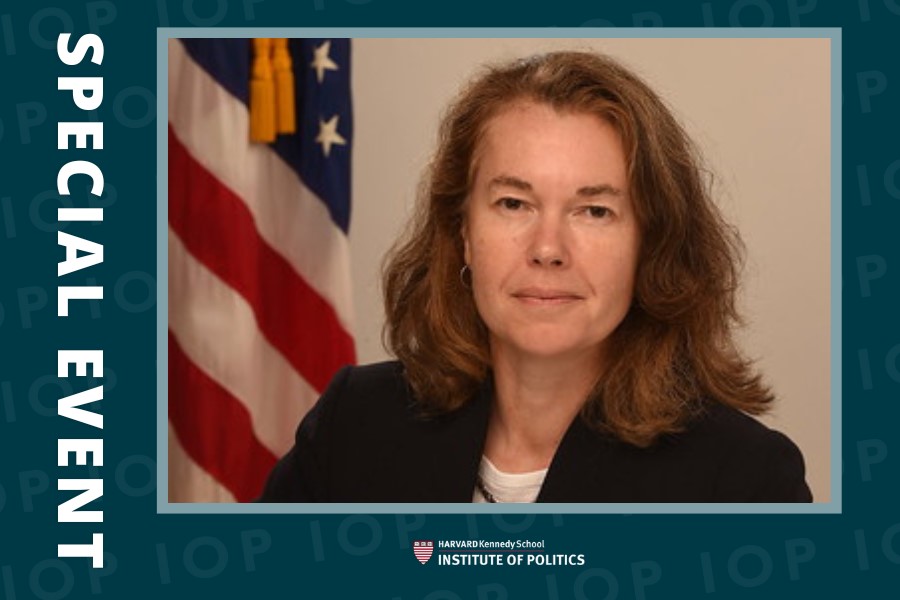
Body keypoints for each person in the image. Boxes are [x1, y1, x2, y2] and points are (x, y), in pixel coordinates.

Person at [259, 50, 812, 503]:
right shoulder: (355, 425)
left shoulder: (743, 479)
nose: (548, 249)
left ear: (650, 244)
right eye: (513, 203)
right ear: (463, 230)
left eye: (594, 211)